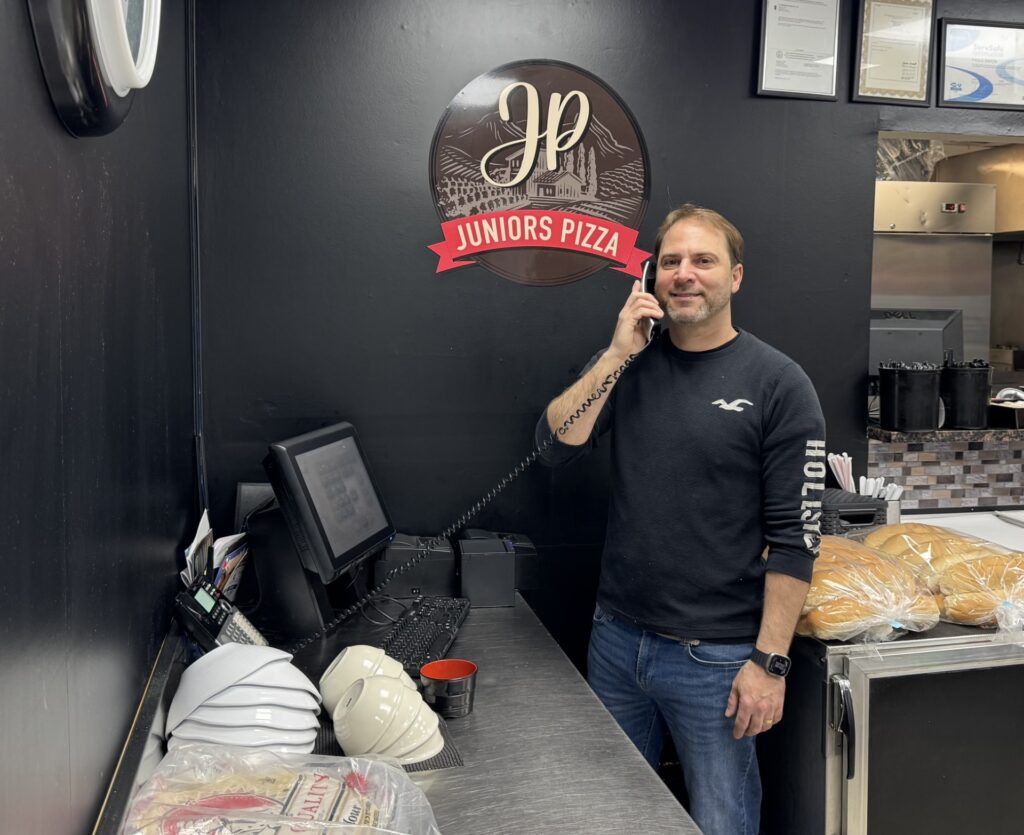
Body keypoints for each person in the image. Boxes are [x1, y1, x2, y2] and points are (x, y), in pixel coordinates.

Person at [535, 204, 825, 835]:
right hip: (616, 639)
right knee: (608, 814)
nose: (684, 275)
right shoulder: (627, 364)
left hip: (716, 658)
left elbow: (796, 539)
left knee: (721, 820)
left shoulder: (779, 383)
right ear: (650, 277)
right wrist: (616, 352)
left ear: (736, 277)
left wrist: (769, 663)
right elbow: (556, 445)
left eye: (703, 261)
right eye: (670, 262)